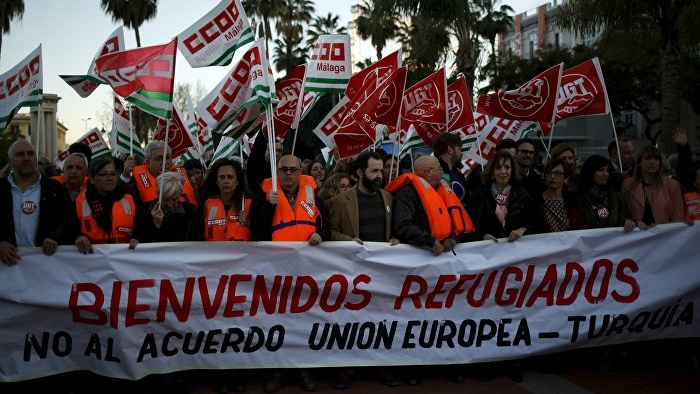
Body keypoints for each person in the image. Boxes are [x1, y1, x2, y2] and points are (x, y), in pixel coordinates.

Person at [1, 140, 78, 265]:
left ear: (36, 158)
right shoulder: (1, 189)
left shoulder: (56, 189)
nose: (26, 158)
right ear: (10, 160)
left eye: (30, 154)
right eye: (20, 154)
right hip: (7, 267)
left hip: (45, 265)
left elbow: (70, 223)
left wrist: (54, 237)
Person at [385, 155, 474, 256]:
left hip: (444, 257)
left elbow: (452, 218)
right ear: (428, 172)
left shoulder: (442, 190)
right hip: (417, 258)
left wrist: (452, 238)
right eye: (439, 168)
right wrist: (430, 241)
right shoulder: (407, 194)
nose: (442, 171)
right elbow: (403, 226)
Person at [251, 154, 330, 246]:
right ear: (277, 171)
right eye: (284, 169)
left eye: (293, 169)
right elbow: (256, 231)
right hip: (277, 256)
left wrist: (320, 235)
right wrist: (269, 206)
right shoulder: (264, 195)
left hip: (307, 255)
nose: (288, 173)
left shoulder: (312, 195)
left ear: (300, 172)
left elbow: (326, 228)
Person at [329, 151, 398, 245]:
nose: (379, 176)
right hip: (355, 257)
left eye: (381, 171)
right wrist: (349, 241)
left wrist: (394, 238)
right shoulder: (340, 201)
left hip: (383, 258)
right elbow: (331, 232)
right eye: (374, 171)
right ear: (360, 173)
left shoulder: (389, 198)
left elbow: (394, 230)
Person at [469, 150, 535, 242]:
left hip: (516, 250)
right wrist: (483, 235)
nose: (503, 171)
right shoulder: (480, 195)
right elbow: (471, 223)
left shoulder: (522, 194)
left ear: (512, 170)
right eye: (498, 167)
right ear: (492, 170)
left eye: (507, 167)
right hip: (489, 251)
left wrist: (522, 229)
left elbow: (533, 221)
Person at [74, 157, 138, 252]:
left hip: (123, 258)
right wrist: (77, 237)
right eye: (103, 174)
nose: (110, 178)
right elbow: (69, 228)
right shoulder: (78, 202)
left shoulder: (129, 198)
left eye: (113, 174)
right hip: (91, 259)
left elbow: (141, 225)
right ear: (91, 179)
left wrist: (137, 237)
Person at [622, 145, 686, 232]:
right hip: (636, 237)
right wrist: (634, 222)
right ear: (639, 163)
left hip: (665, 236)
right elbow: (623, 215)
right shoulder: (627, 184)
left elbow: (678, 217)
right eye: (648, 158)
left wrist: (662, 228)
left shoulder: (672, 185)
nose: (652, 162)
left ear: (660, 163)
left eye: (656, 159)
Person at [120, 141, 197, 207]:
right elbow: (118, 194)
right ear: (148, 162)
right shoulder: (134, 181)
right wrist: (125, 175)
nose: (164, 162)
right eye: (159, 159)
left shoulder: (189, 177)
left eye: (167, 157)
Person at [193, 158, 252, 242]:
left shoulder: (250, 204)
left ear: (237, 181)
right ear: (217, 181)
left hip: (242, 254)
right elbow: (196, 235)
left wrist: (249, 223)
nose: (226, 181)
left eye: (230, 177)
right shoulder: (207, 204)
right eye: (222, 177)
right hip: (213, 253)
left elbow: (262, 234)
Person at [132, 171, 197, 243]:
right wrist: (155, 225)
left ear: (180, 194)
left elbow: (195, 240)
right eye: (166, 200)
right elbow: (138, 238)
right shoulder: (144, 210)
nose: (170, 204)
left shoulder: (191, 211)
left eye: (174, 199)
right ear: (158, 193)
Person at [534, 157, 585, 233]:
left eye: (557, 173)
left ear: (566, 178)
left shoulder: (573, 200)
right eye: (549, 173)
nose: (552, 177)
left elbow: (580, 229)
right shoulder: (536, 200)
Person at [578, 155, 626, 229]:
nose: (605, 174)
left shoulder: (617, 197)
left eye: (607, 170)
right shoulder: (580, 198)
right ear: (590, 171)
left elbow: (623, 221)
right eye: (600, 170)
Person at [433, 133, 469, 208]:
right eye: (459, 148)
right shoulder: (436, 177)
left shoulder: (455, 173)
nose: (461, 153)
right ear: (450, 150)